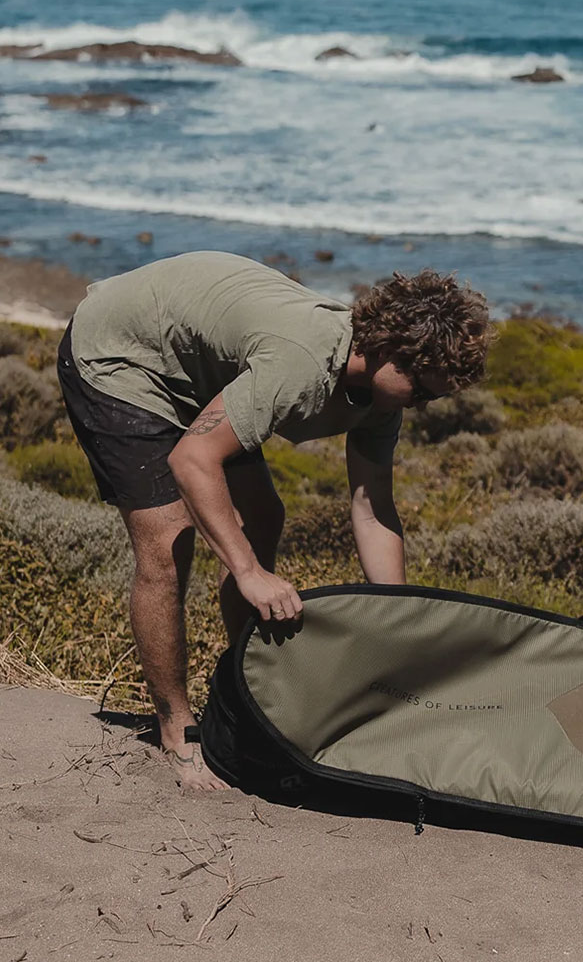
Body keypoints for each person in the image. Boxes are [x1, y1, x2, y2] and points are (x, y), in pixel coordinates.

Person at [56, 250, 492, 790]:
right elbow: (192, 460)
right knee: (171, 537)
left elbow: (372, 504)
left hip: (197, 372)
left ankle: (246, 684)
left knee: (262, 514)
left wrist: (394, 620)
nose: (424, 404)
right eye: (423, 389)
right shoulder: (302, 364)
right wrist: (249, 571)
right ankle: (176, 726)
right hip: (120, 355)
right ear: (387, 350)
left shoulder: (381, 400)